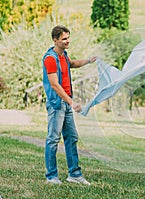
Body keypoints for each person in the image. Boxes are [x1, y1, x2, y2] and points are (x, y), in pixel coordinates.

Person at [42, 25, 97, 185]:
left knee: (72, 137)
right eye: (64, 38)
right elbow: (54, 85)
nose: (68, 41)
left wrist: (88, 60)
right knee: (53, 139)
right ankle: (51, 177)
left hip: (66, 104)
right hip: (57, 104)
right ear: (55, 40)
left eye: (68, 37)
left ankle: (74, 174)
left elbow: (72, 63)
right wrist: (71, 102)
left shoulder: (63, 56)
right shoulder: (50, 59)